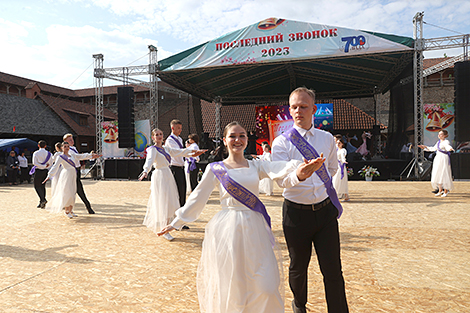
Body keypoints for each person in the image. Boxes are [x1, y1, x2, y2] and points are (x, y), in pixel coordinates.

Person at [158, 121, 324, 313]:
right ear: (225, 140)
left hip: (256, 228)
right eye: (233, 136)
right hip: (229, 229)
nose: (238, 140)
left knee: (266, 285)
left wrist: (301, 168)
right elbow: (197, 198)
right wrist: (176, 222)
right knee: (234, 285)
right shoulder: (215, 168)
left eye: (242, 136)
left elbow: (279, 167)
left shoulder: (256, 165)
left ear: (247, 139)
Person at [272, 87, 349, 313]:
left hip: (325, 213)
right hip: (296, 214)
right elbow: (280, 181)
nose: (298, 111)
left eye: (303, 106)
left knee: (333, 269)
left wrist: (317, 182)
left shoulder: (326, 139)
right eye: (294, 107)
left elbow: (333, 168)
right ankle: (299, 308)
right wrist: (299, 176)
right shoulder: (282, 143)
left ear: (314, 109)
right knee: (298, 268)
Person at [138, 129, 206, 241]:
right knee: (164, 201)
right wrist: (145, 171)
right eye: (156, 135)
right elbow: (149, 161)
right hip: (159, 175)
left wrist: (194, 153)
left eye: (160, 134)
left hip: (168, 174)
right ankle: (164, 229)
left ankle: (167, 227)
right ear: (153, 137)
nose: (159, 136)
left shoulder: (166, 149)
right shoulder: (153, 149)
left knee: (170, 201)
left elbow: (180, 152)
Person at [63, 134, 101, 214]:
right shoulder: (69, 151)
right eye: (70, 140)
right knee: (77, 190)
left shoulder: (73, 148)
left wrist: (90, 156)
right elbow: (79, 156)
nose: (72, 141)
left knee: (76, 190)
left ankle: (71, 208)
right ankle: (87, 207)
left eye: (72, 139)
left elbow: (79, 156)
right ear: (65, 142)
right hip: (72, 172)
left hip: (77, 171)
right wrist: (90, 155)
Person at [43, 142, 80, 218]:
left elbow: (81, 156)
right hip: (66, 175)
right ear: (62, 148)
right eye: (65, 146)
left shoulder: (72, 155)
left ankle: (71, 210)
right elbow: (55, 167)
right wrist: (49, 176)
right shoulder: (60, 157)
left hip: (73, 175)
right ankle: (66, 211)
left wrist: (91, 156)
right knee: (67, 192)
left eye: (68, 146)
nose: (66, 148)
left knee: (73, 192)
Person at [418, 129, 454, 197]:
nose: (439, 136)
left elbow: (447, 146)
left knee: (444, 173)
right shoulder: (438, 142)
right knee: (437, 173)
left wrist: (450, 149)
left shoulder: (446, 142)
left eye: (441, 134)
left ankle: (445, 191)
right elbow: (433, 148)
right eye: (439, 134)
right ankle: (440, 190)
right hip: (438, 158)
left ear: (445, 135)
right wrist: (425, 147)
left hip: (443, 158)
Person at [165, 120, 187, 207]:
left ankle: (182, 208)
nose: (180, 130)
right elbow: (178, 152)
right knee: (177, 190)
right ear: (172, 128)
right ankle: (177, 208)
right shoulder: (170, 140)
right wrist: (190, 151)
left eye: (181, 128)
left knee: (183, 189)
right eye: (178, 128)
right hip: (174, 167)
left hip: (181, 167)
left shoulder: (180, 139)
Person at [31, 140, 52, 208]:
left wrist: (41, 166)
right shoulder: (49, 154)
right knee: (42, 186)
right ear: (45, 146)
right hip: (45, 171)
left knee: (37, 186)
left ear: (38, 145)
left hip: (39, 170)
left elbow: (35, 163)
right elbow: (51, 163)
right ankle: (41, 201)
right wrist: (45, 166)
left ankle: (43, 199)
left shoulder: (36, 153)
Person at [333, 135, 350, 202]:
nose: (338, 144)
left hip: (341, 167)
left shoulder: (343, 150)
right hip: (337, 166)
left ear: (342, 144)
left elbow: (343, 156)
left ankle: (343, 196)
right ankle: (345, 196)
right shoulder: (336, 150)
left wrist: (343, 161)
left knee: (339, 181)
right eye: (337, 143)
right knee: (336, 181)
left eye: (339, 143)